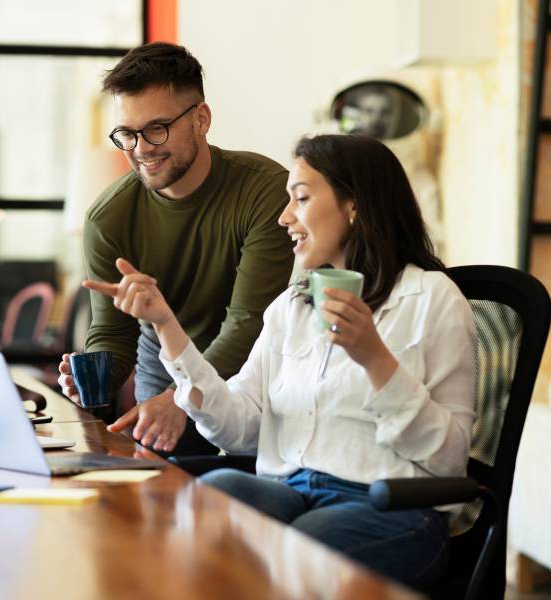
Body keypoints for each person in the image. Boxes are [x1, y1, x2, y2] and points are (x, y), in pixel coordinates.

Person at [83, 133, 477, 588]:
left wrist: (374, 359)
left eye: (302, 199)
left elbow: (450, 460)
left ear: (355, 205)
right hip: (289, 491)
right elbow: (239, 428)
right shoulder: (291, 308)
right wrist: (166, 325)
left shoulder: (432, 300)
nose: (284, 217)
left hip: (390, 507)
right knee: (209, 499)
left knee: (296, 547)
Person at [57, 42, 294, 455]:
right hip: (165, 362)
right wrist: (90, 376)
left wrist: (183, 398)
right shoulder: (108, 219)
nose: (141, 148)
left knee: (240, 484)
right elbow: (113, 336)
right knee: (163, 487)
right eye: (127, 134)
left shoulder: (266, 190)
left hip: (258, 363)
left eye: (157, 129)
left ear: (201, 119)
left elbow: (248, 324)